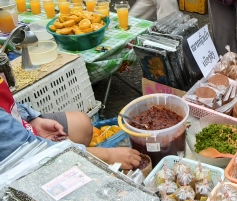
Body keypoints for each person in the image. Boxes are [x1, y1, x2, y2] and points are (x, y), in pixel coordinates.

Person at [0, 72, 141, 168]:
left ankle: (78, 158)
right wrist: (107, 156)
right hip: (18, 161)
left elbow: (9, 105)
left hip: (20, 131)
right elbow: (30, 154)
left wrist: (34, 120)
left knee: (81, 124)